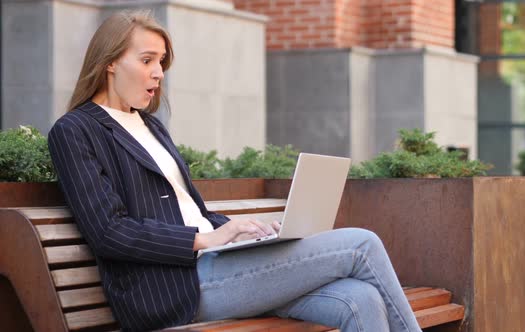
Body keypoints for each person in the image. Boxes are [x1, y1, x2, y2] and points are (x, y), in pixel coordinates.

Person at [47, 9, 422, 332]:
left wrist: (247, 234)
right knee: (362, 244)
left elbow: (188, 210)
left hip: (220, 267)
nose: (159, 73)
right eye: (147, 60)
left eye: (162, 62)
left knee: (362, 298)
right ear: (110, 61)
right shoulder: (76, 131)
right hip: (175, 287)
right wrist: (203, 239)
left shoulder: (151, 126)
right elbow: (109, 231)